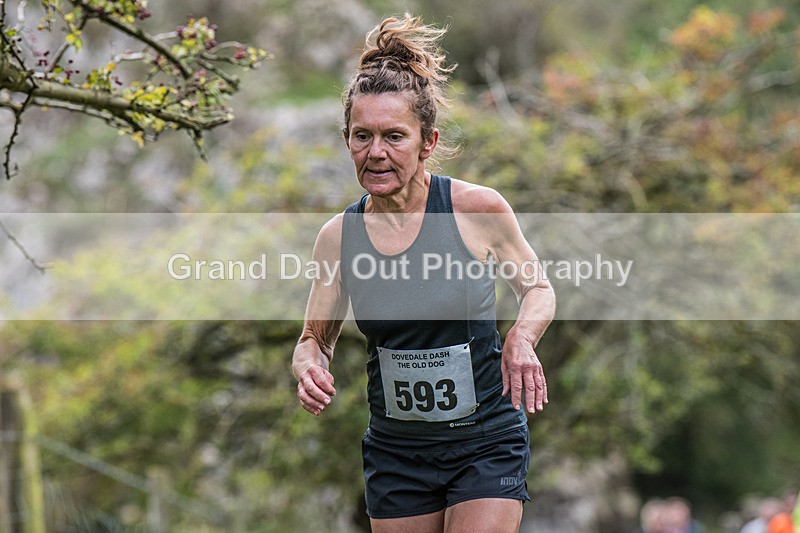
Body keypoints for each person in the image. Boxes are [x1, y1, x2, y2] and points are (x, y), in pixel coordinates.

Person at [291, 13, 555, 533]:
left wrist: (523, 337)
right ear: (347, 140)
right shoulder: (338, 239)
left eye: (394, 136)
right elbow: (312, 340)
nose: (376, 153)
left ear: (427, 142)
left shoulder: (475, 209)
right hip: (397, 453)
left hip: (485, 440)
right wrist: (308, 368)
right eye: (362, 136)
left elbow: (538, 289)